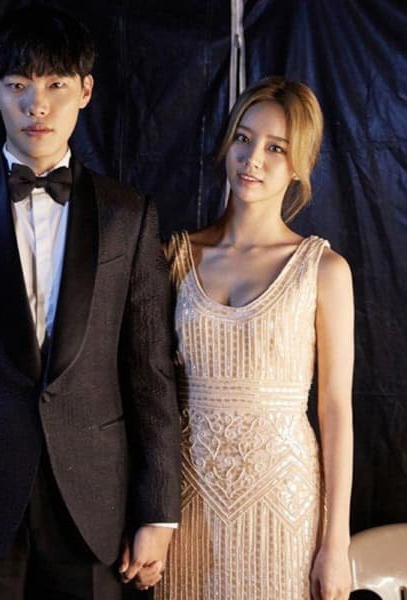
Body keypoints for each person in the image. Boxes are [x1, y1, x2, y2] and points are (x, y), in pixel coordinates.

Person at [0, 7, 180, 600]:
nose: (36, 106)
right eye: (19, 85)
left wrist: (158, 512)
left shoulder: (129, 216)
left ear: (86, 91)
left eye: (55, 85)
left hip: (97, 505)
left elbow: (151, 372)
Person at [154, 77, 354, 599]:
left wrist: (336, 544)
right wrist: (149, 515)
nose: (253, 159)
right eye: (244, 139)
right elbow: (146, 392)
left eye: (276, 148)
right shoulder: (174, 257)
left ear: (300, 165)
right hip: (186, 506)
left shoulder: (323, 270)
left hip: (284, 510)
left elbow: (335, 408)